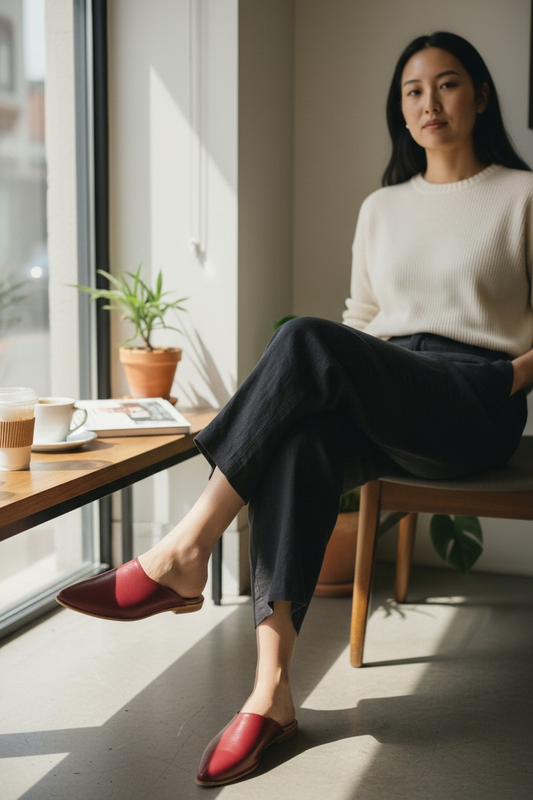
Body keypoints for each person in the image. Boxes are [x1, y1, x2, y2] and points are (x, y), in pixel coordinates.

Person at [56, 31, 533, 787]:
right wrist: (346, 380)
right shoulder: (380, 208)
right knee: (303, 438)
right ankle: (270, 693)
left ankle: (183, 551)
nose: (428, 102)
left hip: (474, 399)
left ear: (477, 94)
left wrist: (507, 379)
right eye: (412, 90)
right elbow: (362, 320)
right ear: (399, 111)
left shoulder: (521, 194)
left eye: (446, 85)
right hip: (389, 380)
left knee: (308, 340)